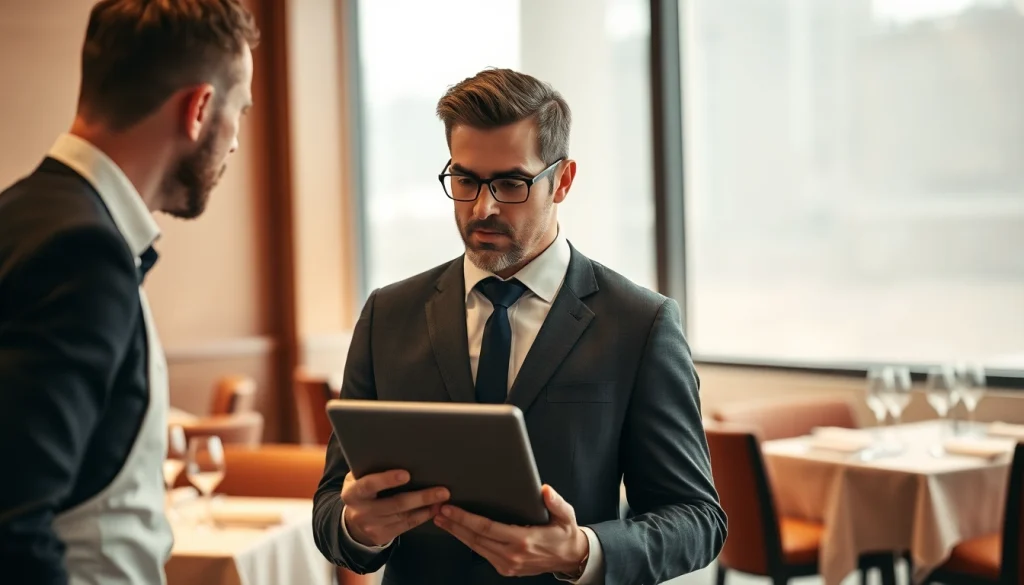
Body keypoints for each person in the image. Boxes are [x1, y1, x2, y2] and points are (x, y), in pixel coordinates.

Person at [313, 68, 726, 585]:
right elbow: (330, 505)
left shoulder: (640, 324)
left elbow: (697, 519)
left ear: (563, 180)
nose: (483, 207)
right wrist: (357, 526)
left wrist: (581, 551)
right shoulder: (387, 315)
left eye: (511, 183)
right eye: (464, 180)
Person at [0, 1, 259, 583]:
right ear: (199, 109)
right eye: (238, 110)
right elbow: (12, 520)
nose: (236, 140)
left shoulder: (21, 218)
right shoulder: (81, 253)